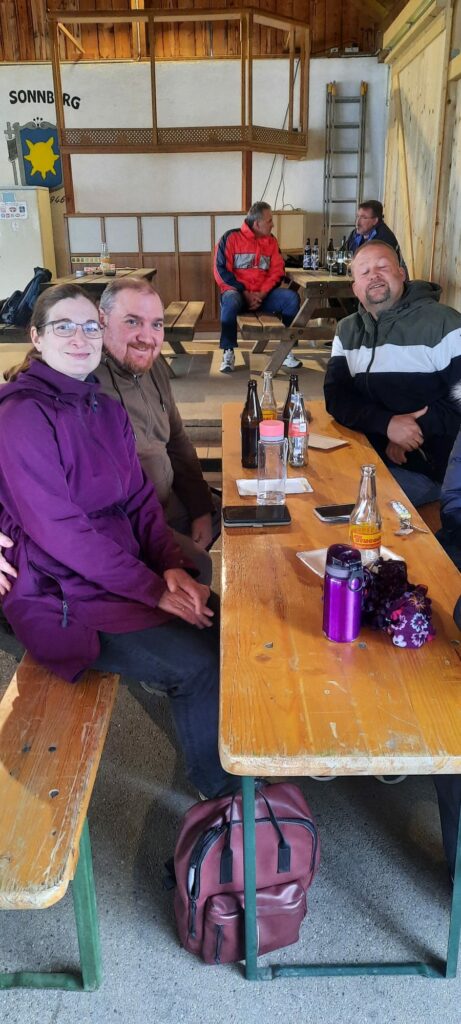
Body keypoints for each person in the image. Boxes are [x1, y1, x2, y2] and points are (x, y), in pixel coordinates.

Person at [0, 283, 236, 800]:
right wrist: (152, 589)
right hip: (61, 594)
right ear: (36, 337)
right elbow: (61, 533)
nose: (79, 338)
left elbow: (139, 500)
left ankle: (236, 740)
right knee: (197, 664)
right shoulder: (21, 415)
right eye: (64, 326)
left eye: (89, 327)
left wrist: (169, 565)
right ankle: (219, 794)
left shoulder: (102, 408)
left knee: (225, 625)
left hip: (116, 568)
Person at [97, 277, 217, 586]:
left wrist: (201, 509)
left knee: (233, 514)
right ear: (101, 320)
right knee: (199, 564)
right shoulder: (82, 377)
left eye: (156, 325)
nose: (147, 337)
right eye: (132, 322)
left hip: (168, 497)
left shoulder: (154, 367)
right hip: (130, 518)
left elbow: (177, 441)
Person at [323, 240, 461, 507]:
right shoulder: (347, 330)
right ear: (355, 288)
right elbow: (336, 397)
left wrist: (415, 431)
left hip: (428, 470)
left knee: (338, 503)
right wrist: (387, 424)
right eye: (364, 271)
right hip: (365, 454)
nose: (373, 275)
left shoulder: (445, 323)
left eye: (383, 267)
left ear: (402, 274)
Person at [214, 201, 301, 374]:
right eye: (269, 221)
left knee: (291, 299)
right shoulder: (230, 238)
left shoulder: (271, 241)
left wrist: (261, 294)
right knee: (230, 300)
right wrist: (244, 292)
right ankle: (228, 352)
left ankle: (286, 350)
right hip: (238, 295)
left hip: (263, 296)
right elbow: (220, 271)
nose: (273, 224)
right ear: (257, 223)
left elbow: (277, 271)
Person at [346, 200, 405, 266]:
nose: (357, 222)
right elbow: (344, 254)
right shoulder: (355, 233)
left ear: (375, 221)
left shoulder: (384, 238)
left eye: (364, 218)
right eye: (357, 216)